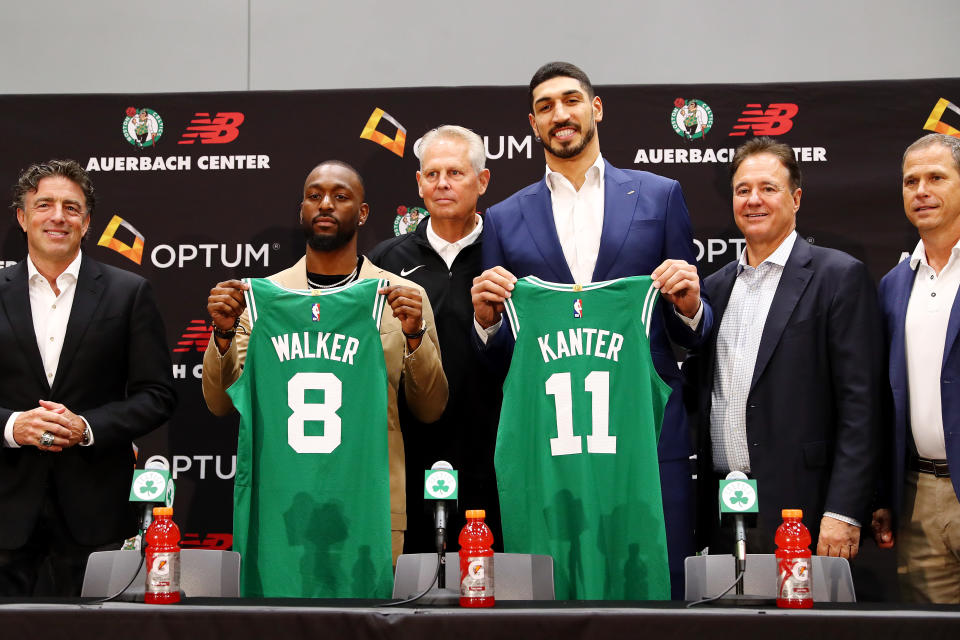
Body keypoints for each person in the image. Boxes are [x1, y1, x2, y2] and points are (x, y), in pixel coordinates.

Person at [470, 61, 712, 597]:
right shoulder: (505, 218)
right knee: (551, 594)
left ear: (595, 108)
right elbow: (502, 361)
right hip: (550, 445)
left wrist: (692, 305)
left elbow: (691, 334)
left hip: (643, 437)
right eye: (545, 106)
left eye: (571, 100)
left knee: (651, 588)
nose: (561, 114)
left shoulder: (659, 195)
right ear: (532, 124)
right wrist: (486, 322)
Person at [202, 160, 448, 570]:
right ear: (301, 210)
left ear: (363, 212)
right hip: (282, 503)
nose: (326, 205)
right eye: (315, 196)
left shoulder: (401, 296)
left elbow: (431, 407)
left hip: (373, 503)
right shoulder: (262, 301)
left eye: (340, 196)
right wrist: (223, 336)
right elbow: (219, 404)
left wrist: (414, 336)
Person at [685, 137, 884, 559]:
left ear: (795, 198)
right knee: (725, 625)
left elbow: (861, 406)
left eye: (768, 188)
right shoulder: (715, 289)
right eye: (743, 190)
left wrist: (844, 510)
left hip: (805, 511)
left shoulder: (838, 277)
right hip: (723, 507)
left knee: (801, 627)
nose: (753, 200)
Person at [0, 159, 176, 596]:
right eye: (44, 205)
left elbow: (157, 394)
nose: (58, 216)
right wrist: (12, 425)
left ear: (88, 222)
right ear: (22, 217)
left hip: (96, 512)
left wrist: (87, 428)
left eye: (71, 207)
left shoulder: (129, 292)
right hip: (4, 511)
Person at [368, 125, 505, 551]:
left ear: (482, 181)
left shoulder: (509, 256)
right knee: (413, 591)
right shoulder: (384, 261)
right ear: (419, 183)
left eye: (456, 173)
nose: (442, 183)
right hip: (410, 455)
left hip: (494, 453)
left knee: (493, 591)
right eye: (432, 174)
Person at [872, 133, 960, 603]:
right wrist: (886, 493)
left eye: (936, 178)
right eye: (910, 181)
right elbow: (886, 399)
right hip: (919, 497)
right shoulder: (893, 285)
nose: (921, 190)